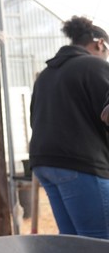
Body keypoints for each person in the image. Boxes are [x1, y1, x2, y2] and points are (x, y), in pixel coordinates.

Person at [29, 15, 109, 239]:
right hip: (80, 163)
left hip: (44, 162)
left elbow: (33, 116)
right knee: (100, 241)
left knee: (72, 241)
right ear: (99, 44)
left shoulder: (46, 74)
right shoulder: (95, 66)